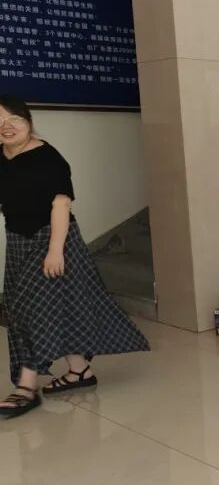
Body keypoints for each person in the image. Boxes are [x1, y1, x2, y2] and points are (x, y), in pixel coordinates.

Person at [0, 95, 149, 419]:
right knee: (43, 306)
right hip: (18, 241)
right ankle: (80, 370)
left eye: (13, 119)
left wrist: (55, 251)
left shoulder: (48, 158)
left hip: (54, 240)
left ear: (28, 122)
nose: (6, 126)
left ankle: (26, 387)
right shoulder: (2, 157)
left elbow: (61, 204)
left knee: (31, 310)